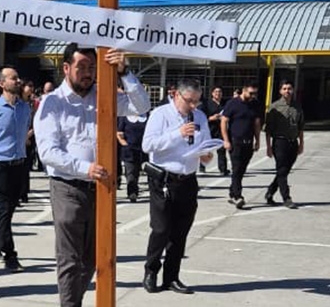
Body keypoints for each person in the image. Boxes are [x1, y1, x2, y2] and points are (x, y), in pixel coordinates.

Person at [34, 44, 150, 307]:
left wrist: (125, 72)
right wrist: (84, 168)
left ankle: (74, 300)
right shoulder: (52, 103)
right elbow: (48, 152)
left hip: (100, 188)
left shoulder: (103, 94)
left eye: (91, 68)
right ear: (66, 68)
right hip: (68, 187)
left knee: (93, 257)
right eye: (81, 68)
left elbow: (141, 107)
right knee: (69, 258)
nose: (87, 73)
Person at [141, 78, 213, 295]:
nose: (193, 106)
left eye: (197, 102)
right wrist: (178, 134)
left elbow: (206, 146)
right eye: (189, 101)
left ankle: (172, 277)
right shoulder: (160, 114)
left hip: (188, 180)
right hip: (163, 179)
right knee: (161, 229)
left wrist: (207, 155)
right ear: (176, 95)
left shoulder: (199, 117)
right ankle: (151, 271)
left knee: (180, 232)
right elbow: (148, 145)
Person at [0, 65, 32, 273]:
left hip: (19, 163)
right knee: (3, 209)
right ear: (2, 84)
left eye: (18, 78)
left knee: (8, 210)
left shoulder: (25, 108)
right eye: (13, 78)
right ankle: (10, 255)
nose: (17, 81)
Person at [220, 83, 262, 209]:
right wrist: (226, 140)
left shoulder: (255, 104)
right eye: (250, 93)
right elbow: (224, 122)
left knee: (241, 170)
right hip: (235, 142)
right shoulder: (233, 103)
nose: (253, 96)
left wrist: (257, 140)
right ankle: (238, 196)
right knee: (237, 169)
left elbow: (257, 124)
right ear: (243, 91)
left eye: (255, 93)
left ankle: (233, 192)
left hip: (248, 143)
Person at [264, 80, 305, 208]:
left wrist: (301, 144)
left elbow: (300, 127)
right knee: (281, 169)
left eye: (289, 88)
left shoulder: (297, 107)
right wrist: (269, 147)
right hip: (280, 142)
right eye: (285, 89)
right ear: (280, 91)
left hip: (293, 143)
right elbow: (268, 129)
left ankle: (270, 192)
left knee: (284, 171)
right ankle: (286, 198)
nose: (287, 91)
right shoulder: (274, 107)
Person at [117, 112, 149, 203]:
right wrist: (125, 145)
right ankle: (132, 193)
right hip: (129, 150)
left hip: (145, 150)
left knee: (151, 173)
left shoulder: (147, 116)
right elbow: (119, 134)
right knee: (131, 173)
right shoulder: (125, 117)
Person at [198, 86, 229, 176]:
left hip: (221, 129)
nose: (218, 94)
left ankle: (223, 169)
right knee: (206, 148)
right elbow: (201, 116)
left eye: (219, 92)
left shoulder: (225, 104)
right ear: (212, 93)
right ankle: (202, 166)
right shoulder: (207, 104)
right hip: (209, 129)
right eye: (216, 92)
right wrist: (211, 118)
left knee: (222, 149)